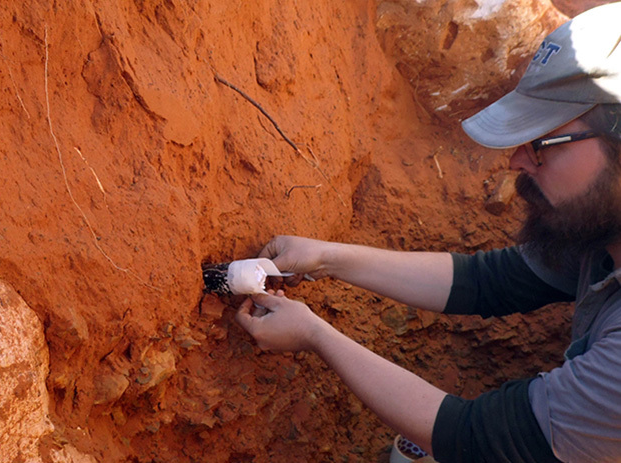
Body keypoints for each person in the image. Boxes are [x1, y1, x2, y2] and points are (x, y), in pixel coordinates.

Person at [234, 4, 621, 463]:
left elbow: (477, 439)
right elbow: (490, 281)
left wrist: (318, 336)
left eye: (541, 143)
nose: (517, 161)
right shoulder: (600, 234)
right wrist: (327, 258)